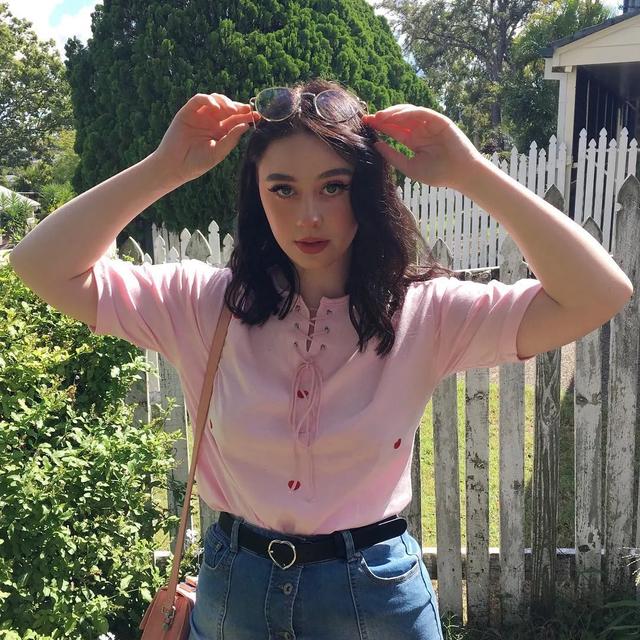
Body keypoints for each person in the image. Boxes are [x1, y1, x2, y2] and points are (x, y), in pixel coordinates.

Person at [9, 77, 632, 639]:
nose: (308, 215)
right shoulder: (200, 304)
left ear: (366, 191)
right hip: (235, 592)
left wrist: (473, 174)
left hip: (374, 596)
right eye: (282, 189)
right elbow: (40, 265)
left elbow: (598, 294)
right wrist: (163, 168)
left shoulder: (425, 311)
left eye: (333, 187)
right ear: (257, 195)